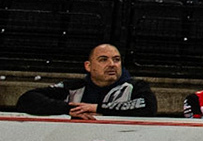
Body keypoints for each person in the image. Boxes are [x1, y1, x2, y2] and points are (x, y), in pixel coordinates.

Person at [15, 43, 157, 117]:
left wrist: (95, 108)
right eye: (103, 60)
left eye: (116, 60)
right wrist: (70, 109)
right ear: (88, 66)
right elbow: (27, 99)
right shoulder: (72, 87)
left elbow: (148, 107)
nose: (112, 64)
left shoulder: (136, 87)